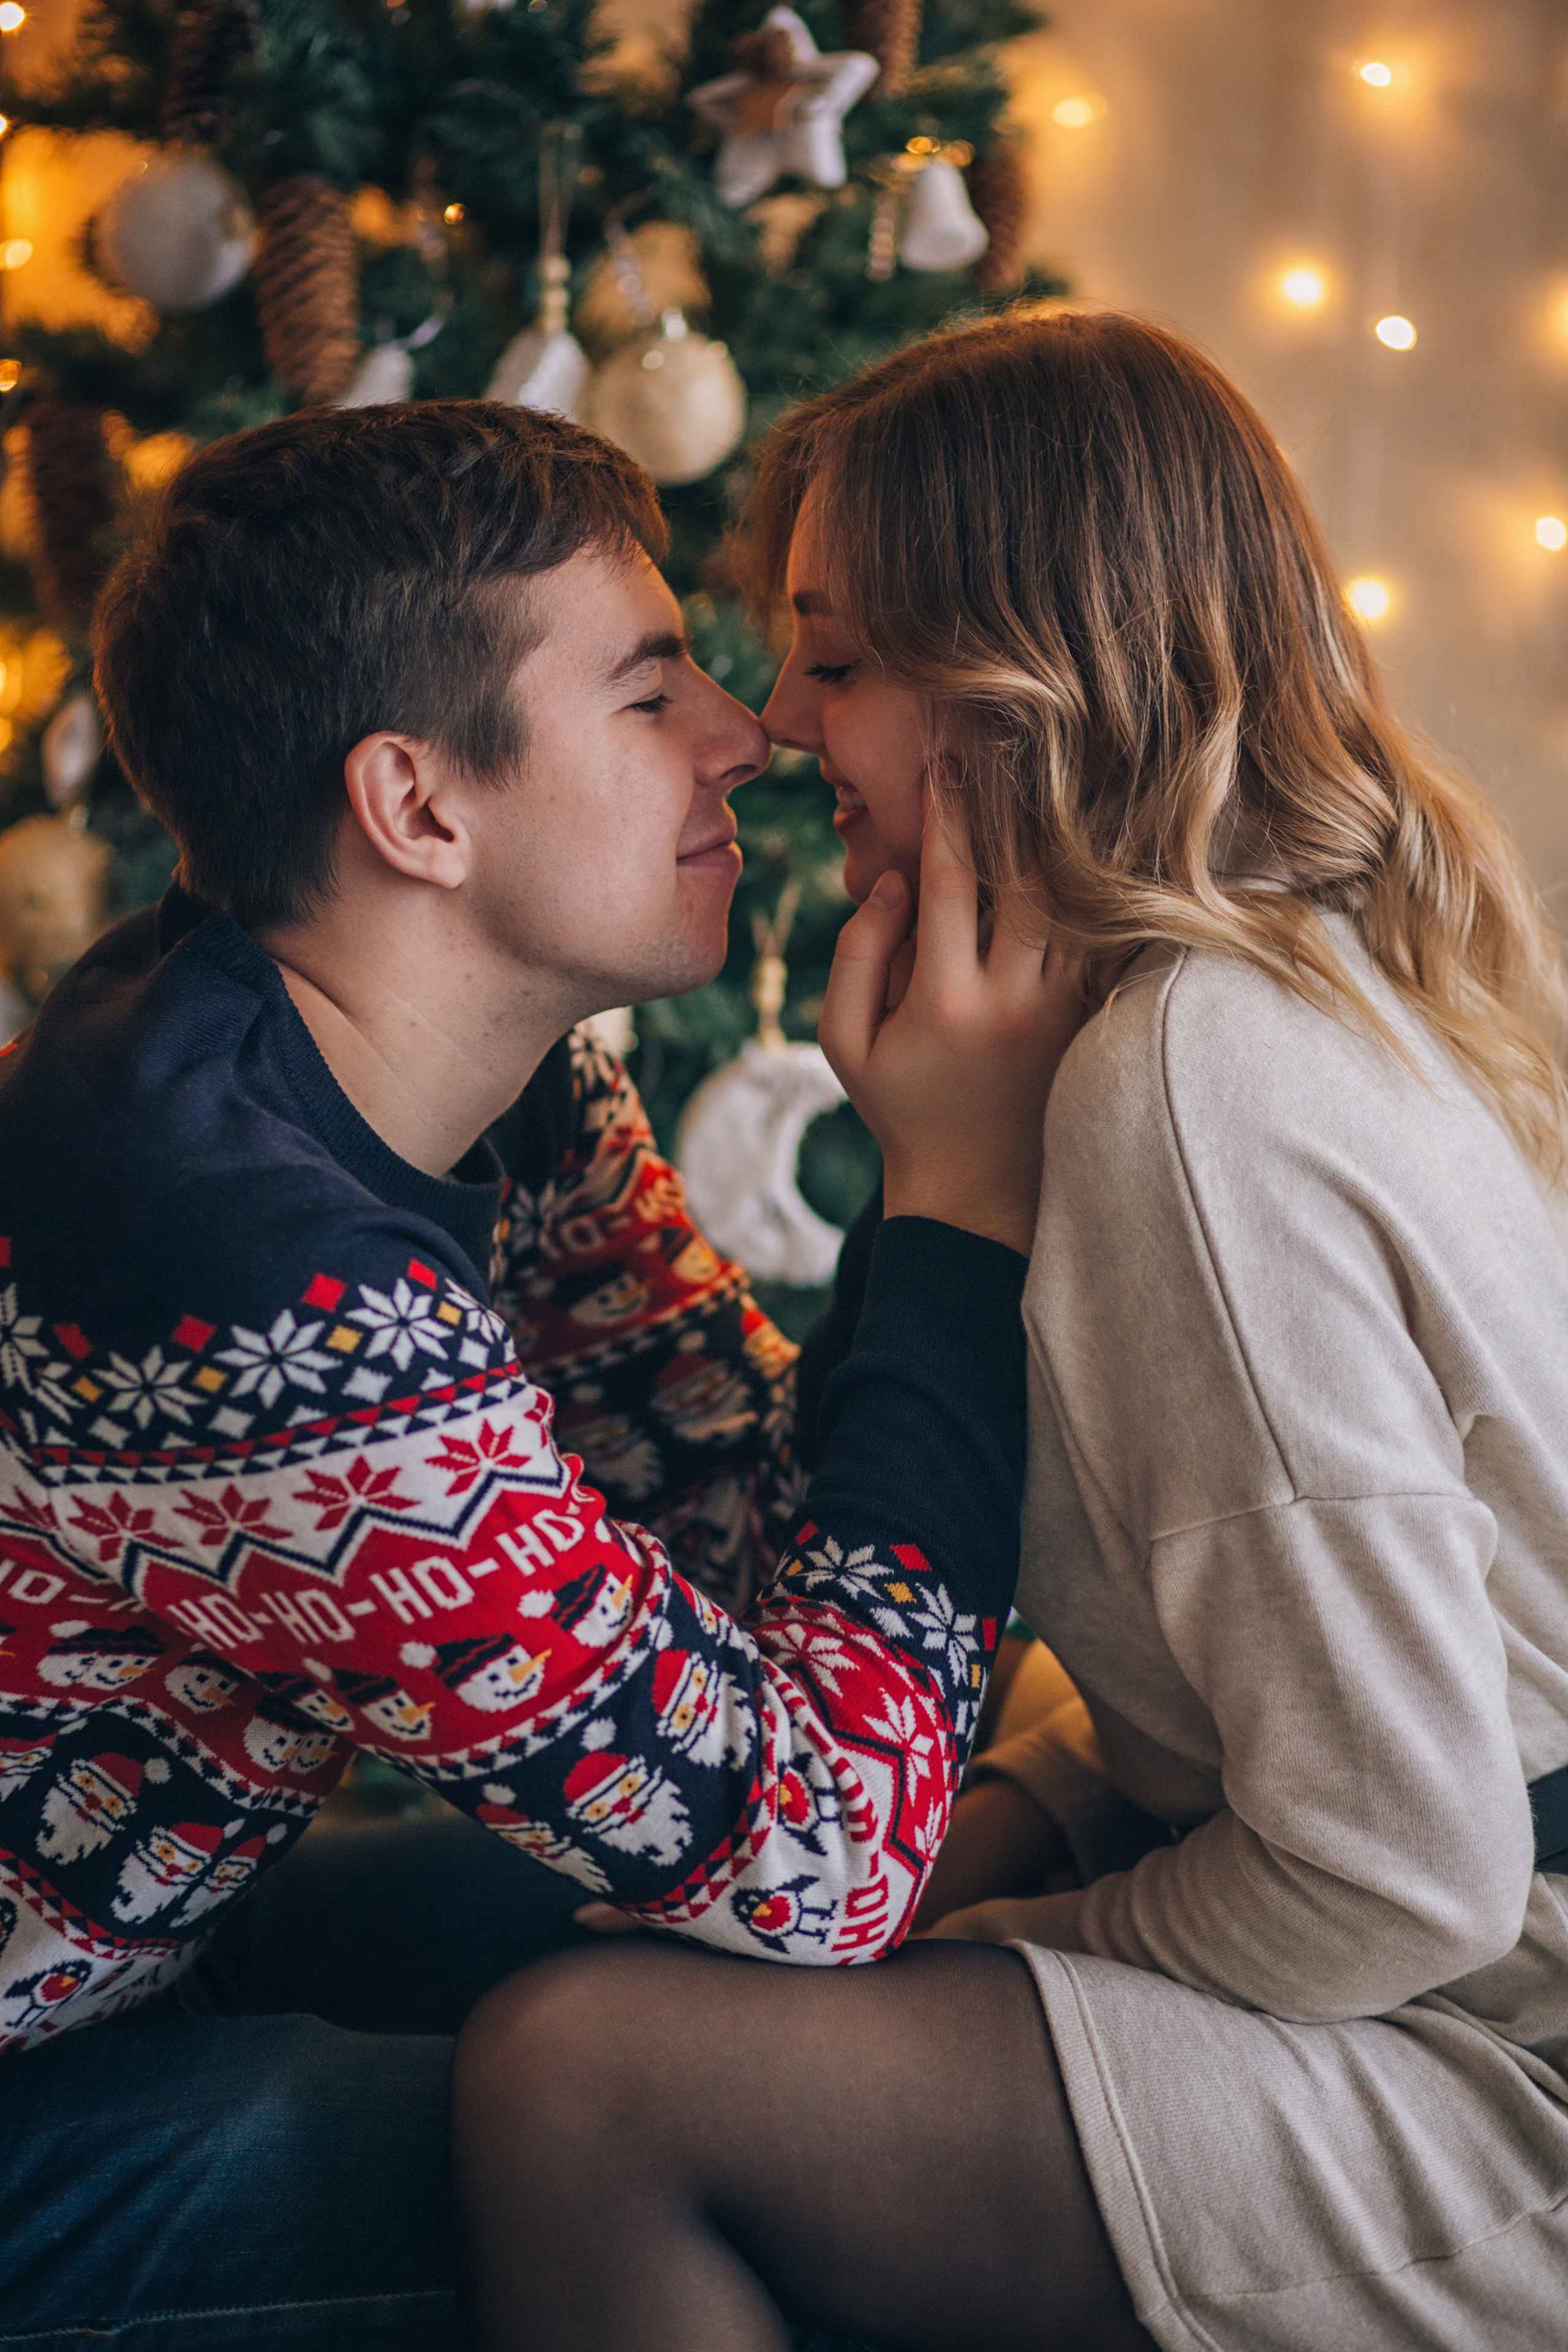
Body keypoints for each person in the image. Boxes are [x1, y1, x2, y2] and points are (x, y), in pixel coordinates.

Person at [452, 310, 1568, 2352]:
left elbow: (1404, 1862)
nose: (776, 722)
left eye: (843, 659)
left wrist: (1020, 1937)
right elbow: (1297, 1655)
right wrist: (1032, 1810)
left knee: (586, 2078)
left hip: (1503, 2043)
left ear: (1038, 687)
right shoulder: (1257, 1000)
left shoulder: (1196, 1095)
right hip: (1446, 1953)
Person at [0, 399, 1082, 2348]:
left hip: (149, 1942)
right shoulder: (258, 1292)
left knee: (900, 1999)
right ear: (419, 808)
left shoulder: (475, 1084)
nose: (750, 736)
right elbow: (826, 1844)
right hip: (32, 2076)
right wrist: (954, 1202)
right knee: (740, 2153)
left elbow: (754, 1510)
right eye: (650, 689)